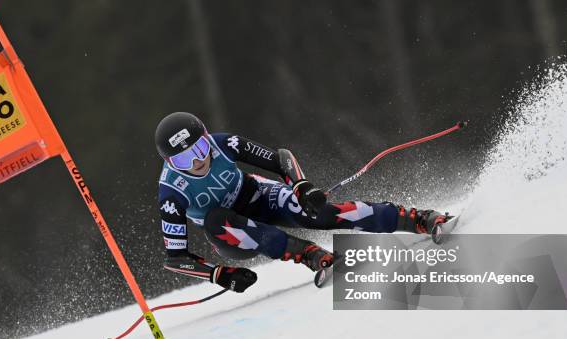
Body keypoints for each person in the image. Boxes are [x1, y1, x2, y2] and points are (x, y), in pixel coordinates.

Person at [156, 112, 450, 293]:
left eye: (201, 147)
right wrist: (218, 275)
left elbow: (279, 157)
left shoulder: (224, 144)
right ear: (171, 162)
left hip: (258, 196)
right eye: (184, 158)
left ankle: (418, 219)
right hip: (231, 235)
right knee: (217, 219)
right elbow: (176, 258)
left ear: (208, 138)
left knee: (321, 214)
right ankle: (311, 256)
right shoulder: (172, 192)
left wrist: (300, 185)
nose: (198, 160)